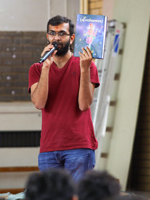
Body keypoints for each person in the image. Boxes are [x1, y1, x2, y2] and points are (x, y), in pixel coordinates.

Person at [28, 15, 100, 182]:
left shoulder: (87, 65)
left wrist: (84, 69)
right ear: (47, 36)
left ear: (72, 38)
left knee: (78, 195)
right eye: (52, 33)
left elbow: (84, 104)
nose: (56, 38)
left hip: (79, 146)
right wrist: (46, 67)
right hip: (49, 148)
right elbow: (39, 103)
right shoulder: (37, 69)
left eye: (61, 33)